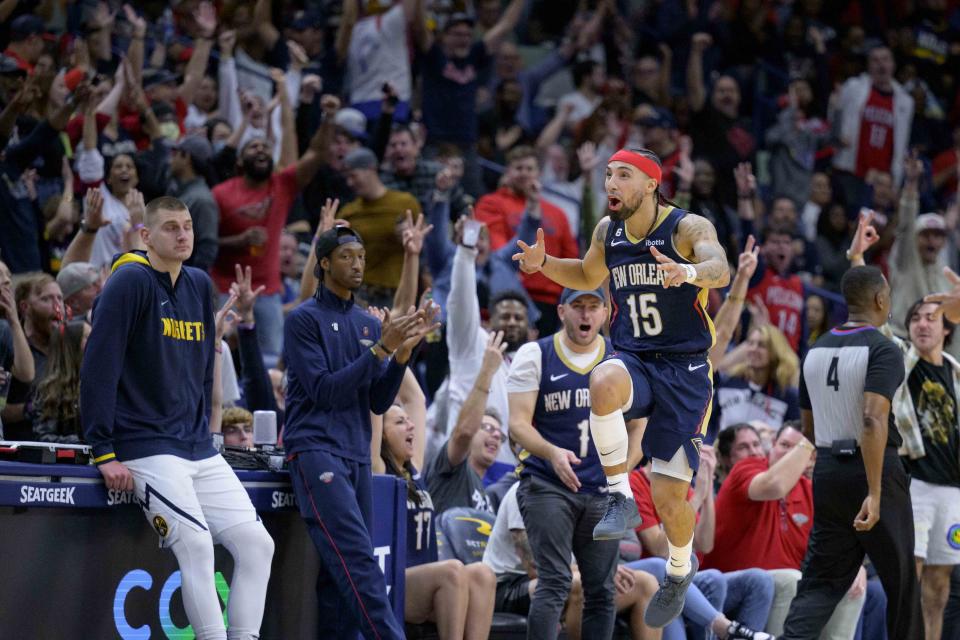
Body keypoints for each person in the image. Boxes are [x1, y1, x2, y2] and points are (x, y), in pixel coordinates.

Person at [513, 147, 731, 628]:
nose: (611, 183)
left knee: (670, 495)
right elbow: (587, 274)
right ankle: (617, 496)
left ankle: (679, 569)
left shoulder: (686, 228)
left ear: (651, 183)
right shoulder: (607, 232)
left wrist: (689, 271)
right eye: (608, 174)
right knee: (602, 379)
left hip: (685, 371)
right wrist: (545, 263)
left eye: (623, 175)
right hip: (635, 357)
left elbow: (721, 268)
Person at [81, 196, 275, 640]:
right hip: (145, 445)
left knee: (257, 545)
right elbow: (97, 369)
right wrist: (103, 450)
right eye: (171, 227)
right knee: (196, 545)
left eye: (187, 226)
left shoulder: (199, 283)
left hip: (196, 447)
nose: (183, 234)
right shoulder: (129, 282)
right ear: (146, 236)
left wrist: (208, 435)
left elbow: (202, 372)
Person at [283, 225, 435, 640]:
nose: (357, 264)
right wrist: (382, 349)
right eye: (347, 256)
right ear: (325, 263)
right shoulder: (302, 320)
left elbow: (379, 401)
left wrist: (401, 354)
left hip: (353, 453)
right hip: (315, 448)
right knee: (358, 561)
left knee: (338, 578)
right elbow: (324, 391)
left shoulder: (367, 323)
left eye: (362, 257)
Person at [780, 266, 922, 639]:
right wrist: (874, 493)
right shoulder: (883, 349)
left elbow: (808, 428)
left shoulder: (816, 349)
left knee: (819, 583)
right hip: (873, 470)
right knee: (903, 584)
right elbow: (873, 421)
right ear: (880, 299)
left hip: (827, 470)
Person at [507, 287, 625, 639]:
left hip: (603, 490)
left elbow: (638, 426)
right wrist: (551, 452)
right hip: (547, 483)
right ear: (561, 312)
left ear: (605, 313)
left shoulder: (620, 360)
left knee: (603, 590)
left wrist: (622, 472)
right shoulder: (535, 353)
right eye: (578, 307)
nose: (586, 315)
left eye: (593, 307)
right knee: (555, 580)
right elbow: (517, 424)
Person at [482, 481, 662, 640]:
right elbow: (535, 567)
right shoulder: (526, 489)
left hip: (563, 575)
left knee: (647, 584)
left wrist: (604, 572)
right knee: (580, 584)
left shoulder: (585, 495)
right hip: (507, 584)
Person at [380, 402, 496, 639]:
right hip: (392, 582)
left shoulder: (415, 470)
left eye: (409, 420)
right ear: (380, 435)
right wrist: (379, 365)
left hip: (428, 581)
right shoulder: (378, 469)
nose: (411, 425)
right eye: (400, 422)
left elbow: (416, 398)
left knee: (483, 574)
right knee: (452, 570)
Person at [891, 299, 960, 640]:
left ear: (947, 328)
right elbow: (875, 322)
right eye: (915, 318)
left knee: (939, 585)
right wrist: (857, 258)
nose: (922, 324)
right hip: (915, 484)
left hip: (952, 489)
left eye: (931, 319)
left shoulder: (956, 369)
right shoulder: (903, 360)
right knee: (910, 580)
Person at [426, 332, 506, 514]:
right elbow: (464, 432)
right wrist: (486, 371)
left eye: (499, 434)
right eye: (487, 428)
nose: (495, 435)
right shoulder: (451, 466)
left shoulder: (490, 497)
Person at [30, 319, 89, 443]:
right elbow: (43, 437)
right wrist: (83, 442)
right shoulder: (49, 389)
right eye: (88, 337)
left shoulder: (98, 383)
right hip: (67, 460)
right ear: (72, 346)